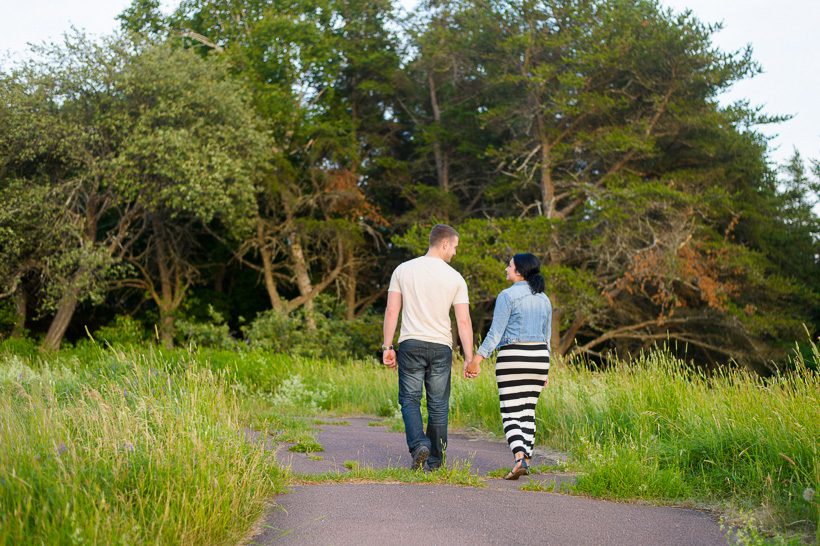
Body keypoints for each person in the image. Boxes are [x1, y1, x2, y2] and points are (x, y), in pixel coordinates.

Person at [382, 224, 474, 471]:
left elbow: (392, 311)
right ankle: (434, 461)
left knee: (410, 399)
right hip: (441, 347)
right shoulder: (455, 277)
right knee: (438, 405)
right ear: (444, 244)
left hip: (411, 344)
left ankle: (418, 444)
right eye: (454, 247)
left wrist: (387, 346)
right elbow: (463, 321)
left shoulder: (403, 270)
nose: (454, 252)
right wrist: (468, 357)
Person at [465, 253, 551, 480]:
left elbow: (495, 333)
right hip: (540, 357)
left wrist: (477, 360)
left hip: (514, 356)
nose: (506, 268)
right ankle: (527, 459)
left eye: (509, 265)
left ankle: (519, 457)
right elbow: (547, 337)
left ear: (519, 271)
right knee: (528, 410)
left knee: (510, 410)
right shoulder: (544, 299)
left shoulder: (507, 296)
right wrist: (546, 369)